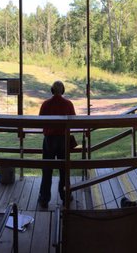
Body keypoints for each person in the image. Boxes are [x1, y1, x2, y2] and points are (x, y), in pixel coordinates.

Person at [38, 81, 76, 209]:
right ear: (63, 90)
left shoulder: (46, 104)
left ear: (52, 90)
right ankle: (66, 196)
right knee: (64, 170)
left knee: (47, 169)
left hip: (49, 139)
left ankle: (44, 199)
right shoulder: (68, 104)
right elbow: (74, 121)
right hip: (63, 139)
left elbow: (40, 121)